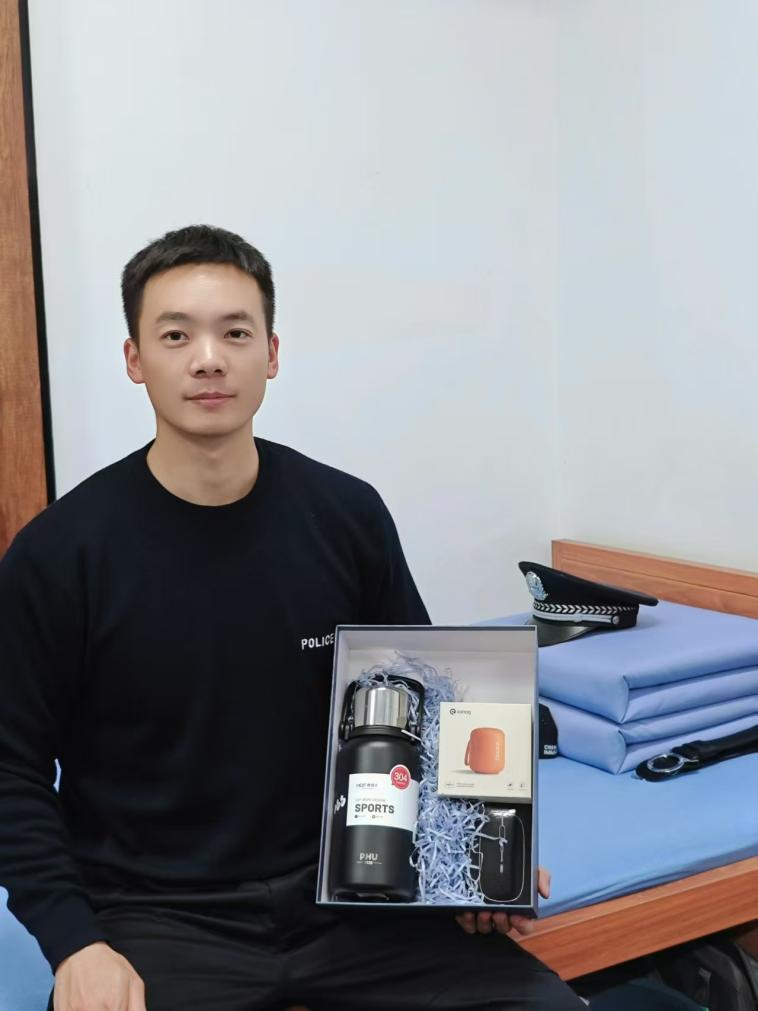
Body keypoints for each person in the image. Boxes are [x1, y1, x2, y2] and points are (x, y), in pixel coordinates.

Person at [0, 225, 584, 1010]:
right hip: (157, 912)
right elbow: (11, 769)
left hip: (356, 890)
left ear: (271, 353)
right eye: (176, 335)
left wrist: (476, 866)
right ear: (134, 359)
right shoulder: (60, 553)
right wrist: (76, 942)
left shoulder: (345, 515)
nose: (209, 358)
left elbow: (428, 701)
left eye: (235, 333)